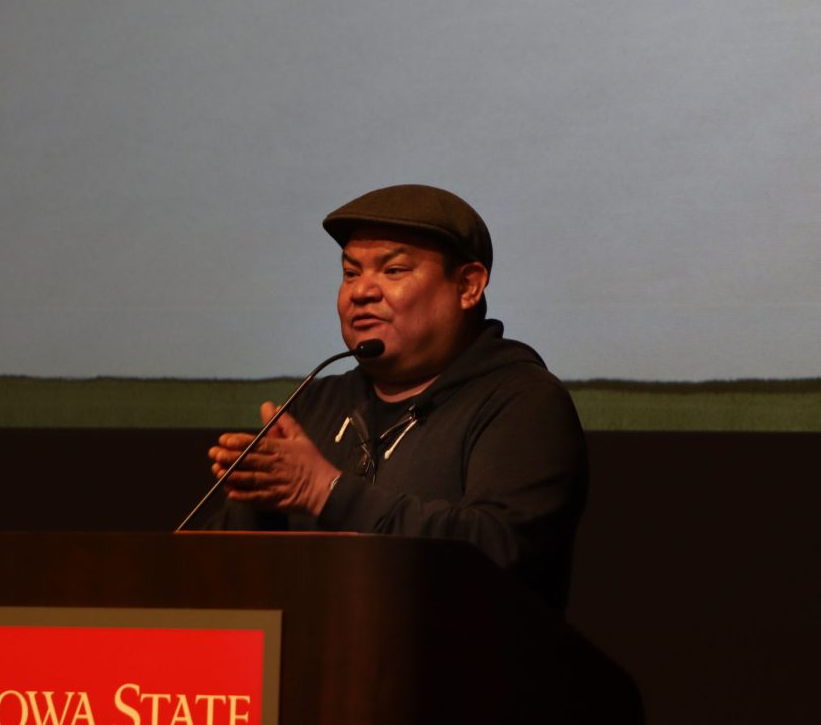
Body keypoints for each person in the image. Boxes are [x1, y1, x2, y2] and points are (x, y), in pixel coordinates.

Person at [206, 184, 588, 612]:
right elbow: (221, 571)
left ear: (468, 286)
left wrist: (326, 491)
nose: (361, 291)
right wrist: (247, 508)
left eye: (393, 271)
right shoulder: (314, 405)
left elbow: (499, 550)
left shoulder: (522, 401)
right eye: (351, 273)